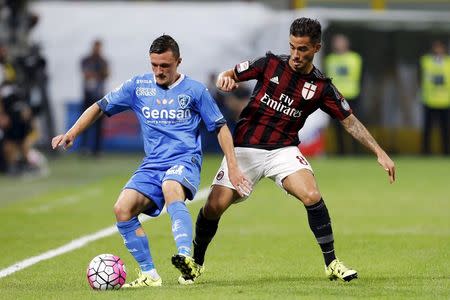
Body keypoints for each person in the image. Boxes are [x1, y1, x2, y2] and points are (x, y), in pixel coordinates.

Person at [181, 18, 395, 285]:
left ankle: (331, 263)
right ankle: (196, 264)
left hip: (283, 150)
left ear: (316, 47)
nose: (295, 54)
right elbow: (231, 74)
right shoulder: (269, 64)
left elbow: (349, 120)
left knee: (312, 194)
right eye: (293, 47)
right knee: (214, 207)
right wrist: (226, 80)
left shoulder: (321, 87)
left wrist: (379, 151)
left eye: (303, 49)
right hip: (245, 148)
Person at [52, 35, 251, 288]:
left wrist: (233, 166)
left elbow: (221, 128)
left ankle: (185, 257)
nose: (159, 71)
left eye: (165, 66)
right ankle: (149, 275)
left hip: (184, 160)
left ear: (178, 62)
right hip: (152, 164)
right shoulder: (138, 86)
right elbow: (100, 106)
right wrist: (71, 133)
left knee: (171, 186)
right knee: (122, 209)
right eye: (154, 65)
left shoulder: (195, 90)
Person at [324, 34, 362, 155]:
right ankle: (341, 152)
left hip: (351, 96)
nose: (338, 45)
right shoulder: (330, 59)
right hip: (335, 98)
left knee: (353, 125)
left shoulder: (354, 58)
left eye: (340, 42)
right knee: (337, 127)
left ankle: (355, 151)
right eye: (336, 42)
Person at [419, 40, 450, 155]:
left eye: (440, 47)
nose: (438, 50)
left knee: (445, 130)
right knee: (427, 130)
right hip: (429, 100)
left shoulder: (448, 62)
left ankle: (446, 152)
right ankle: (425, 151)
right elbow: (420, 77)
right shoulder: (426, 61)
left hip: (445, 101)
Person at [79, 39, 109, 156]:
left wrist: (97, 74)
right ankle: (84, 148)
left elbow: (107, 74)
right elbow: (86, 74)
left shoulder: (103, 61)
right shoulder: (86, 60)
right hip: (88, 96)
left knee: (99, 125)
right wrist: (98, 75)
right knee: (84, 122)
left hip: (99, 97)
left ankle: (97, 150)